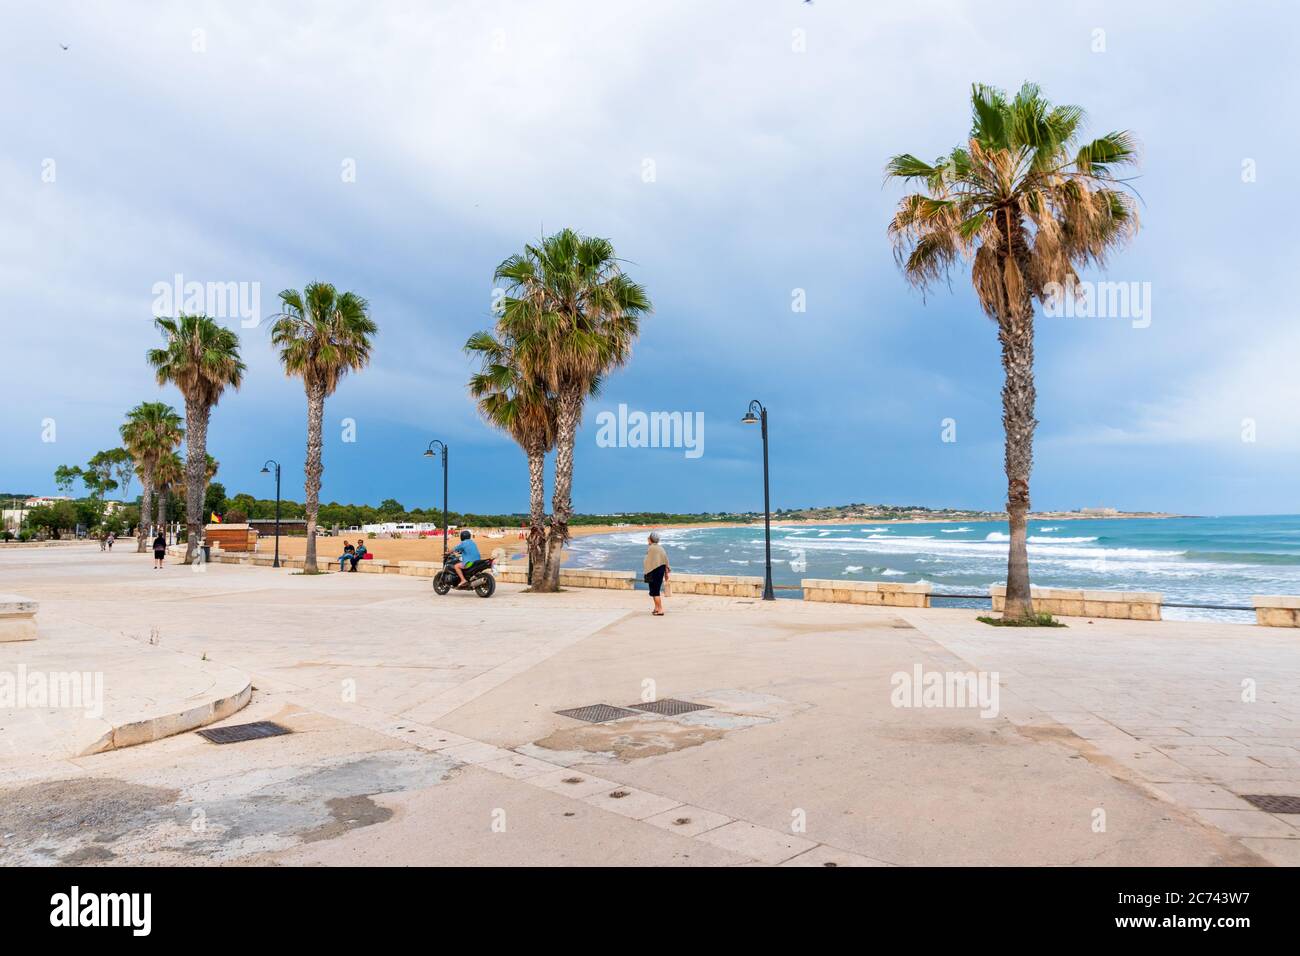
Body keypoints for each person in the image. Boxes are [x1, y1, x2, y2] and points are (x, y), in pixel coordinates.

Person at [643, 531, 670, 616]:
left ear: (651, 539)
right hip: (660, 571)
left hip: (654, 572)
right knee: (655, 591)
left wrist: (647, 571)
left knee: (655, 592)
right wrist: (666, 574)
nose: (647, 539)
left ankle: (660, 609)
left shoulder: (651, 548)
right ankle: (656, 608)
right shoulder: (661, 548)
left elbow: (648, 561)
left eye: (648, 538)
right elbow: (666, 561)